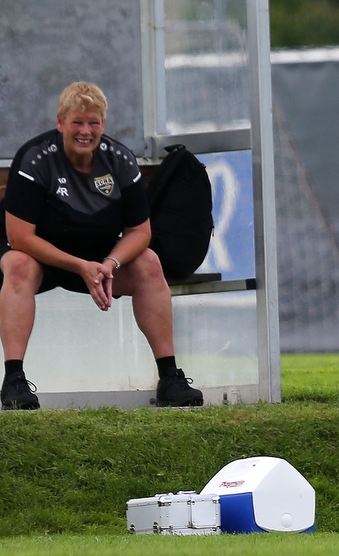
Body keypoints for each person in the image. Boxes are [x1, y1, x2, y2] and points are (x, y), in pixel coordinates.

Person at [0, 81, 203, 410]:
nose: (85, 131)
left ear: (103, 125)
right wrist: (80, 266)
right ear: (60, 123)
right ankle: (13, 382)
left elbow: (140, 232)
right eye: (77, 122)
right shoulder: (36, 159)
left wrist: (108, 264)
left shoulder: (120, 160)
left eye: (93, 123)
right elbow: (19, 238)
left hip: (98, 264)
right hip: (43, 259)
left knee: (149, 262)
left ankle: (170, 378)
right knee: (18, 264)